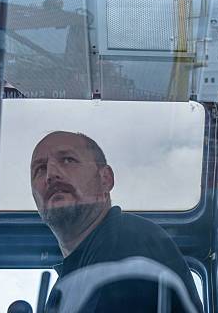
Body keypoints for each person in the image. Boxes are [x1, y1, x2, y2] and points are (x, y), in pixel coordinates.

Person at [30, 131, 203, 312]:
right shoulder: (76, 275)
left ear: (106, 179)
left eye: (68, 160)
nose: (51, 174)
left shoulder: (134, 244)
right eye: (40, 169)